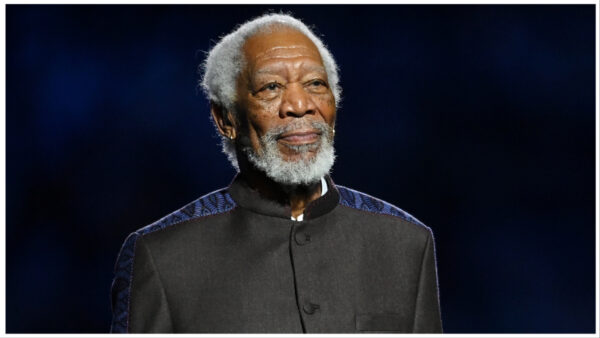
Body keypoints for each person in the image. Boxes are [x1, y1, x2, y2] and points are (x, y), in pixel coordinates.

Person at [110, 13, 443, 333]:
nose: (299, 105)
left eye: (315, 83)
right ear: (226, 119)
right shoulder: (160, 257)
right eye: (271, 87)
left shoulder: (406, 243)